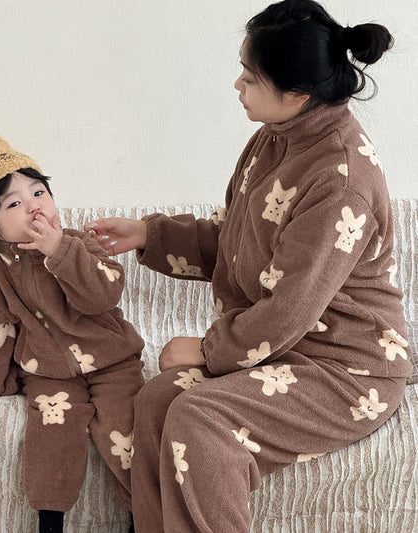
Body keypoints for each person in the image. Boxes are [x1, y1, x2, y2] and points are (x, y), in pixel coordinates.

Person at [84, 1, 413, 531]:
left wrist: (208, 350)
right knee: (158, 400)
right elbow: (239, 242)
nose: (238, 84)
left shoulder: (341, 180)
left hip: (346, 371)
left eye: (250, 76)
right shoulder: (275, 139)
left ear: (298, 93)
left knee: (200, 418)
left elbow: (289, 308)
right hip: (283, 350)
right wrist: (149, 234)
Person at [0, 136, 144, 533]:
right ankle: (50, 521)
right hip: (48, 370)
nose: (34, 205)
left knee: (126, 430)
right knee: (52, 436)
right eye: (14, 203)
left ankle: (141, 517)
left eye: (39, 192)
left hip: (113, 360)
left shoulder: (77, 244)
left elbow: (104, 294)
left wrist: (60, 252)